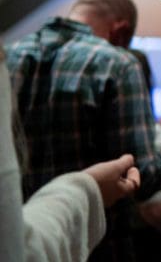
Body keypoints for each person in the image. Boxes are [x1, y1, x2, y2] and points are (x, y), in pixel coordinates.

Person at [5, 0, 161, 261]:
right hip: (98, 249)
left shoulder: (9, 56)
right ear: (121, 31)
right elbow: (140, 177)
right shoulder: (118, 64)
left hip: (26, 246)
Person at [1, 46, 142, 262]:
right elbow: (14, 249)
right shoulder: (120, 65)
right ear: (121, 33)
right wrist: (88, 189)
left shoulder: (14, 51)